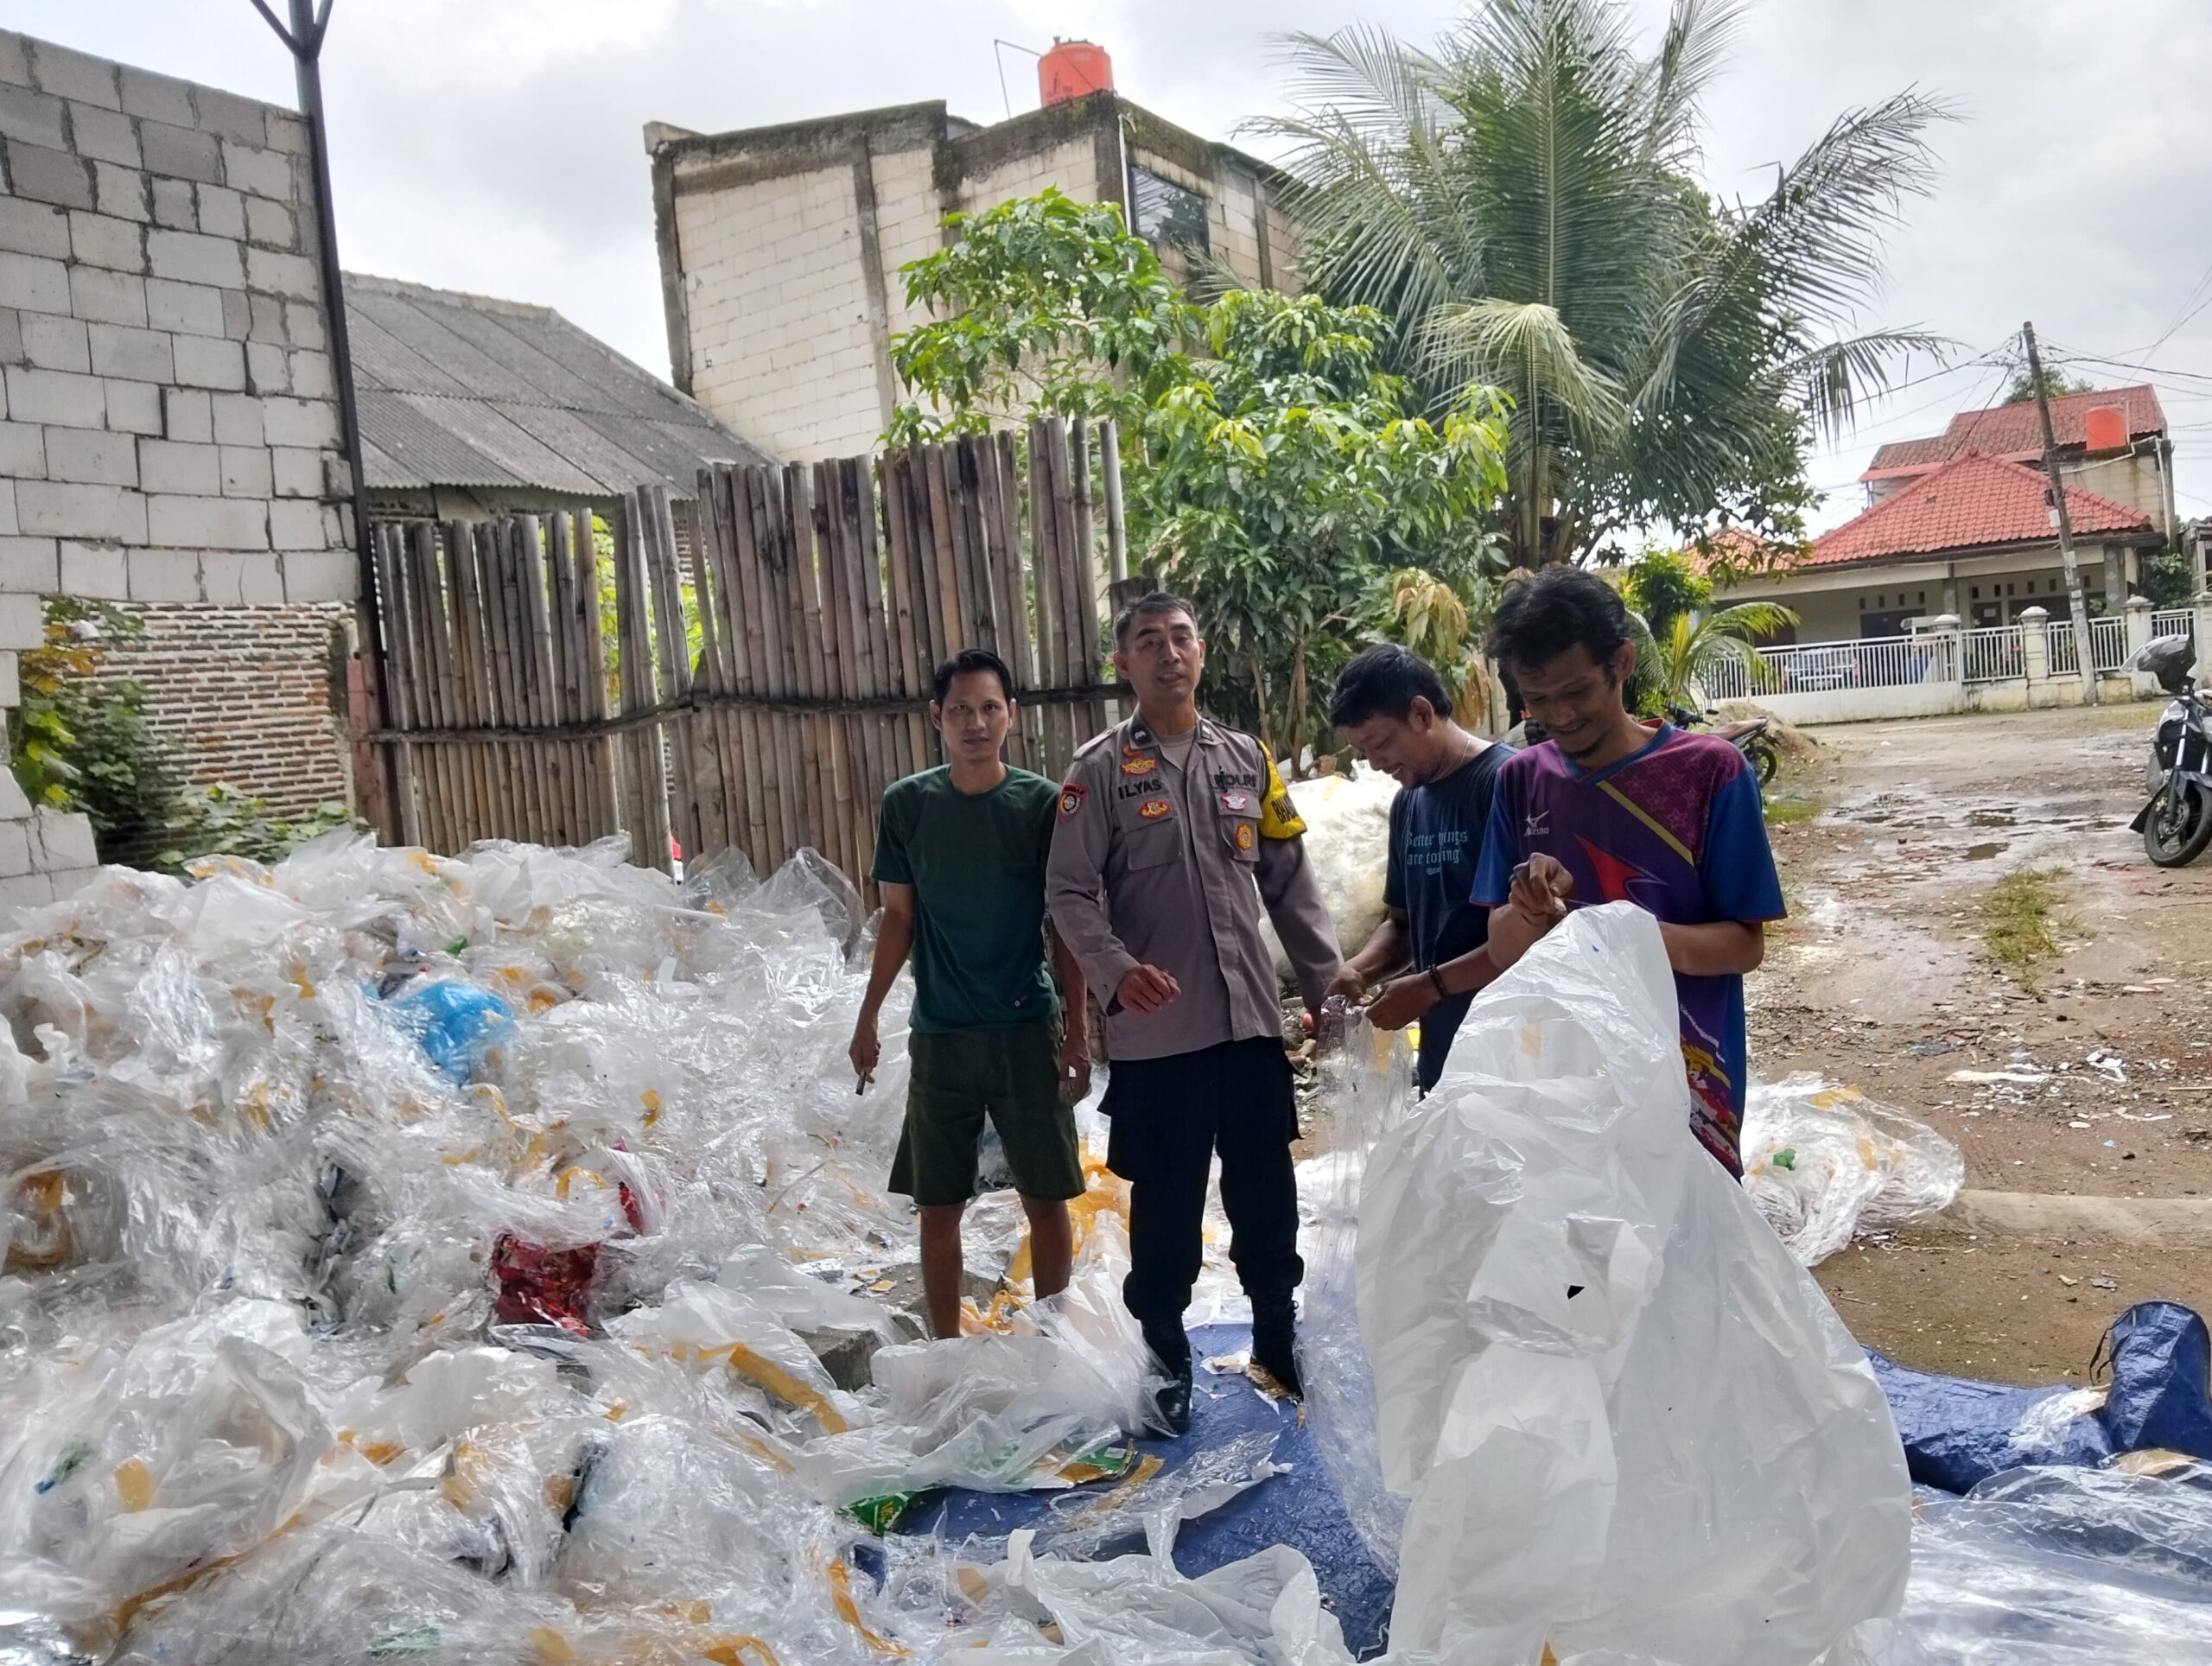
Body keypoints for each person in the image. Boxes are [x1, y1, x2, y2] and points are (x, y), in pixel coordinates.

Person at [1046, 593, 1342, 1434]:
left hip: (1248, 1024)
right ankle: (1165, 1356)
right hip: (1156, 1038)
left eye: (1180, 638)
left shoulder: (1246, 758)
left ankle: (1277, 1339)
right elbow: (1067, 890)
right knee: (1167, 1206)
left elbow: (1289, 880)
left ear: (1200, 652)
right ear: (1124, 665)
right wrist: (1113, 969)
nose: (1168, 653)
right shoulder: (1096, 771)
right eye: (1148, 642)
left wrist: (1324, 987)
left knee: (1267, 1194)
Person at [1427, 567, 1783, 1174]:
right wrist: (1534, 913)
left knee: (1681, 1245)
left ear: (1621, 662)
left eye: (1577, 691)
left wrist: (1602, 931)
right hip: (1563, 1078)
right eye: (1537, 699)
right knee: (1575, 1253)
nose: (1560, 716)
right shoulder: (1521, 780)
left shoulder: (1708, 773)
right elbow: (1503, 945)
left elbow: (1742, 945)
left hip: (1688, 1068)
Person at [849, 647, 1092, 1340]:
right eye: (960, 710)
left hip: (1026, 1031)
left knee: (1047, 1196)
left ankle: (1052, 1339)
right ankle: (946, 1347)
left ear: (1011, 715)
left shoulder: (1041, 805)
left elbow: (1065, 923)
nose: (975, 723)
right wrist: (868, 1017)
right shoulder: (909, 805)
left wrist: (1078, 1030)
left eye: (989, 708)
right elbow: (898, 917)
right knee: (938, 1205)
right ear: (937, 718)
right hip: (943, 1035)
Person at [1322, 645, 1513, 1094]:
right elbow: (1404, 924)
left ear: (1422, 713)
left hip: (1511, 1052)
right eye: (1363, 750)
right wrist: (1360, 970)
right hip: (1443, 1053)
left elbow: (1531, 939)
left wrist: (1429, 986)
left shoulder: (1506, 782)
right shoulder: (1409, 801)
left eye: (1382, 743)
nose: (1375, 763)